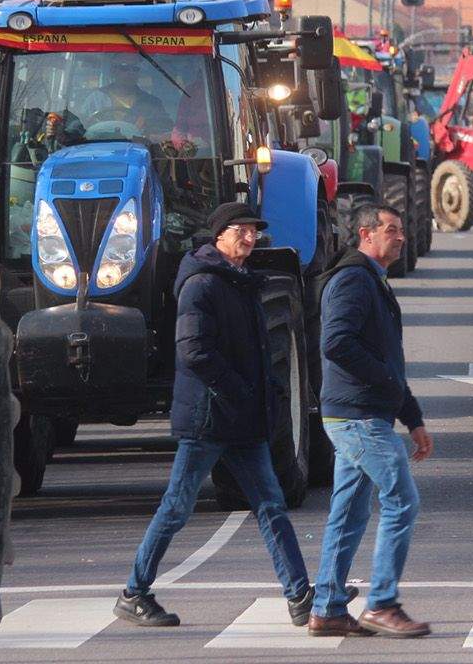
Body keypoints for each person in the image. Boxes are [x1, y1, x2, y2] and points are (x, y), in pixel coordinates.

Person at [115, 202, 343, 628]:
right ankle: (134, 592)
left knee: (271, 505)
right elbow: (193, 351)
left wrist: (270, 393)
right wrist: (241, 392)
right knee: (177, 507)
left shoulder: (240, 283)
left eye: (254, 231)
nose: (250, 238)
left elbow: (254, 353)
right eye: (241, 230)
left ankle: (299, 595)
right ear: (219, 235)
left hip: (241, 420)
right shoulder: (202, 285)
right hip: (208, 419)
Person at [310, 201, 434, 638]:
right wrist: (386, 387)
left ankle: (326, 609)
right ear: (366, 234)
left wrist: (412, 416)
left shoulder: (371, 280)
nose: (400, 237)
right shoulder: (353, 281)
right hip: (358, 416)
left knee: (348, 514)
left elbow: (387, 362)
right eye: (392, 229)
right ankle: (381, 603)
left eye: (400, 229)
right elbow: (337, 343)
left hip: (359, 413)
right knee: (402, 501)